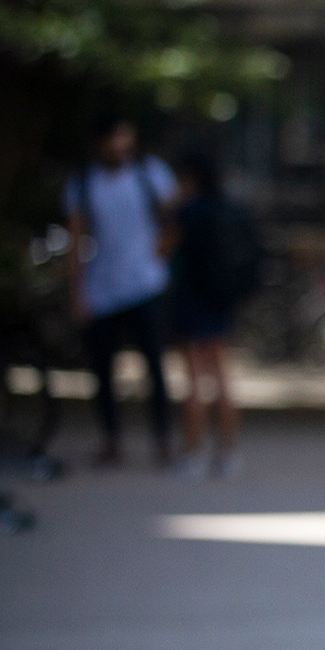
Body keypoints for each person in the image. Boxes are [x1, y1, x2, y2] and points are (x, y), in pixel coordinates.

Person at [65, 116, 178, 469]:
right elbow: (75, 240)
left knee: (155, 368)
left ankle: (163, 440)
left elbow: (176, 219)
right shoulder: (83, 183)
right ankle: (111, 440)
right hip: (102, 289)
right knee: (102, 371)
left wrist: (161, 254)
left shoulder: (149, 173)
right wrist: (77, 293)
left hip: (146, 285)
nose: (120, 146)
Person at [167, 152, 259, 480]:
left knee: (194, 382)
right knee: (223, 380)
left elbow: (161, 249)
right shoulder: (229, 208)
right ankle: (229, 455)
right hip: (221, 300)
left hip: (192, 298)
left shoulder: (188, 211)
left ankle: (194, 455)